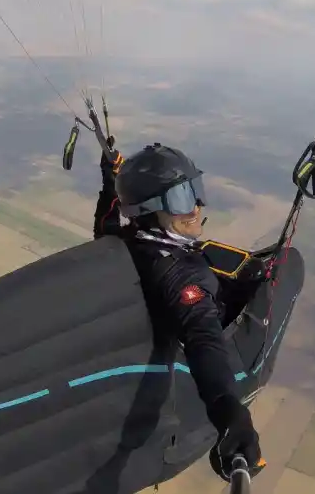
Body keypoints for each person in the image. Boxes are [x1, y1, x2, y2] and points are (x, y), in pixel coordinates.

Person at [93, 142, 263, 483]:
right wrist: (228, 409)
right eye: (182, 199)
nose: (197, 207)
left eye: (194, 192)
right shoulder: (182, 274)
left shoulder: (129, 243)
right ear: (150, 209)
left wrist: (110, 180)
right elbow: (204, 338)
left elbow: (106, 226)